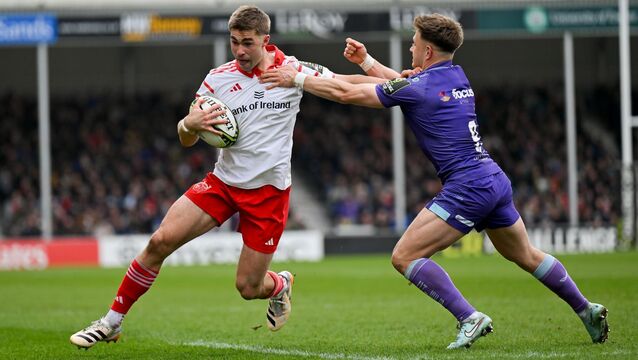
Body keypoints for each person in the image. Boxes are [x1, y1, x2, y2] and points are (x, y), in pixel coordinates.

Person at [260, 13, 609, 350]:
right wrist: (366, 62)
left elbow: (348, 95)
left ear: (427, 51)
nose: (411, 49)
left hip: (467, 185)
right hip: (493, 179)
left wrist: (298, 80)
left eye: (414, 44)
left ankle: (468, 317)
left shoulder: (421, 85)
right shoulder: (455, 76)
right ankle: (586, 308)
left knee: (404, 256)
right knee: (527, 255)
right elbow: (401, 84)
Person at [69, 5, 363, 349]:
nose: (239, 50)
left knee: (248, 288)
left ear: (265, 41)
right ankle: (111, 322)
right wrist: (187, 124)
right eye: (234, 41)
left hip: (268, 195)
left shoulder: (294, 70)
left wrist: (398, 79)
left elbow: (348, 84)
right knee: (159, 242)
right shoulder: (217, 78)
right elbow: (187, 135)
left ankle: (279, 285)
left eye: (248, 43)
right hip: (222, 184)